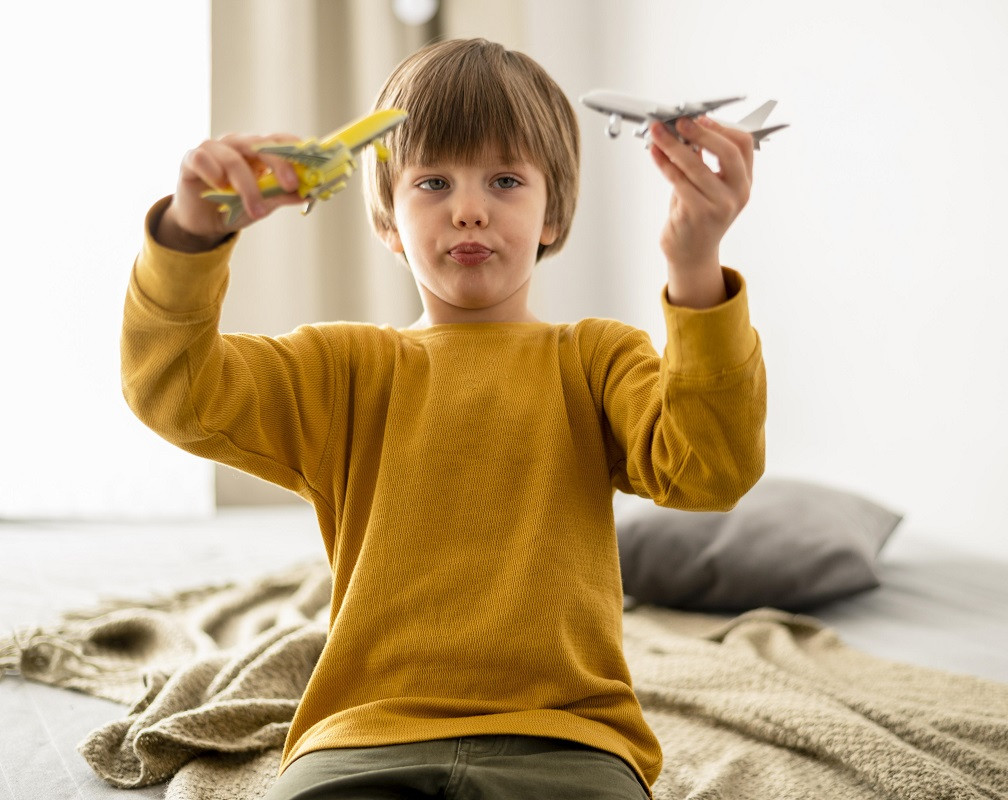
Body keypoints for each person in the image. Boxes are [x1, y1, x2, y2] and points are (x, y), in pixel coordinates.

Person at [121, 37, 766, 800]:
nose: (468, 209)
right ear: (388, 223)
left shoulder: (597, 360)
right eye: (432, 182)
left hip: (568, 739)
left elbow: (712, 470)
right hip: (363, 738)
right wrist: (191, 240)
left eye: (504, 179)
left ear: (551, 213)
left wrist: (695, 268)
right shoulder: (345, 372)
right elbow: (177, 392)